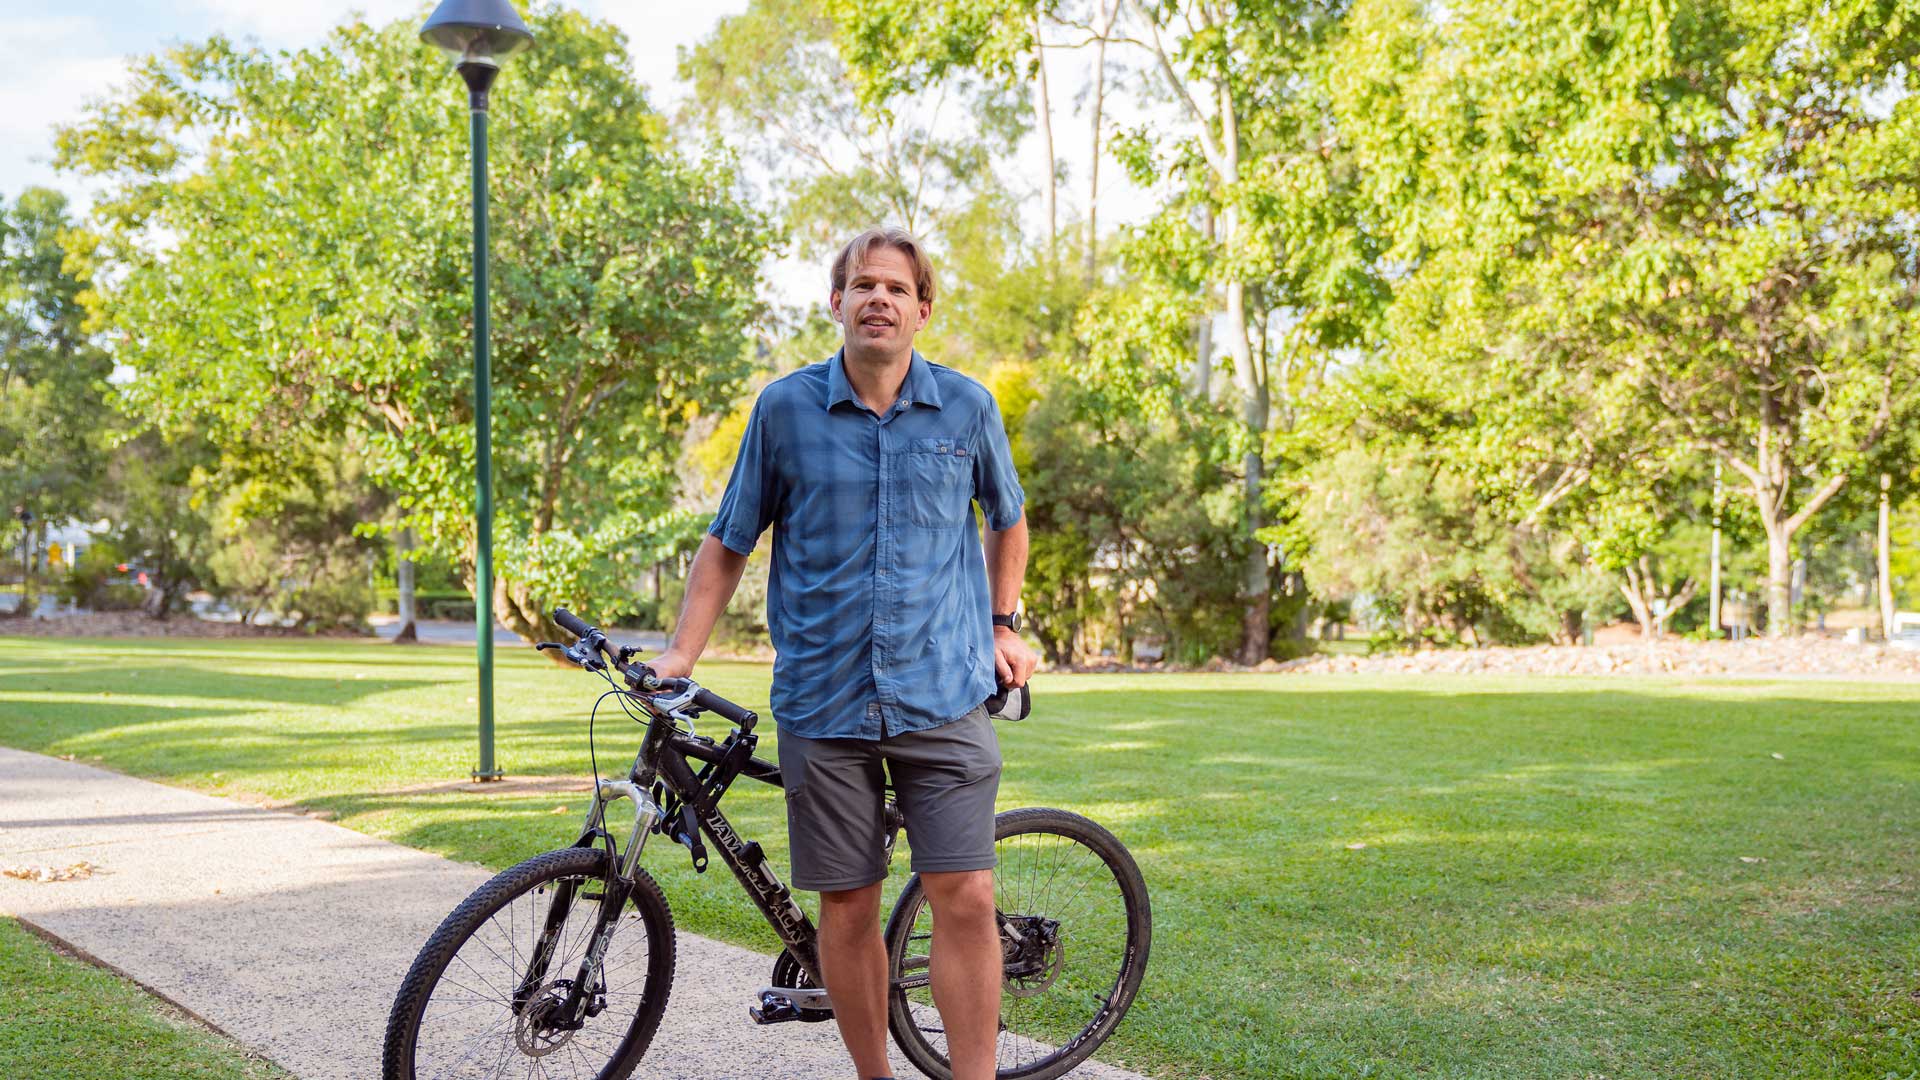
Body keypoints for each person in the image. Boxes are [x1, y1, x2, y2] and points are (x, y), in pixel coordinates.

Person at [646, 226, 1038, 1080]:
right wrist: (683, 652)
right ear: (836, 303)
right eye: (862, 284)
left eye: (897, 288)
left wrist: (1005, 623)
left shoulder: (967, 408)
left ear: (922, 311)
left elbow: (1007, 518)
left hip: (943, 693)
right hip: (825, 703)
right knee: (849, 907)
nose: (879, 299)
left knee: (966, 897)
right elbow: (728, 541)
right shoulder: (785, 409)